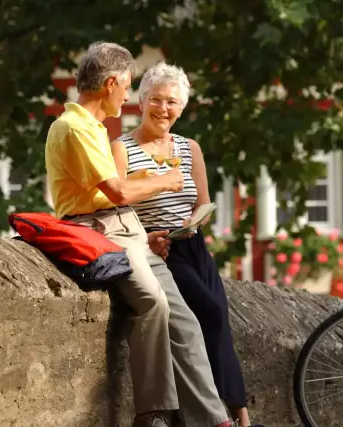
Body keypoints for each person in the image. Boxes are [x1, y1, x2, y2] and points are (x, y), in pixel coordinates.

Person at [44, 42, 232, 427]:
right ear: (111, 82)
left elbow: (114, 198)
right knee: (153, 304)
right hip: (96, 229)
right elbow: (119, 192)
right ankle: (153, 413)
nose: (128, 96)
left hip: (123, 227)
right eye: (127, 86)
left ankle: (215, 421)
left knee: (187, 321)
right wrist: (167, 180)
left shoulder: (94, 126)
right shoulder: (74, 127)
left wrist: (143, 234)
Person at [110, 62, 262, 427]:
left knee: (219, 320)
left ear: (183, 107)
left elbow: (203, 203)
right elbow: (117, 207)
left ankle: (239, 414)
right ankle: (223, 417)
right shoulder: (122, 148)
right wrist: (150, 235)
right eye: (157, 100)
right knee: (204, 316)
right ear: (142, 101)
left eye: (173, 102)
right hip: (158, 250)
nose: (164, 109)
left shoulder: (189, 147)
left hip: (194, 246)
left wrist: (193, 222)